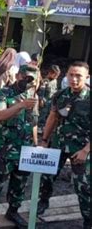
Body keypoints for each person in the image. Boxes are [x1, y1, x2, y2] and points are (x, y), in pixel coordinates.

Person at [0, 64, 40, 229]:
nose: (28, 82)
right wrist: (20, 105)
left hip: (25, 148)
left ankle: (13, 211)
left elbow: (33, 121)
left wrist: (35, 143)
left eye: (32, 80)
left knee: (20, 183)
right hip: (5, 148)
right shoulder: (3, 94)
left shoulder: (33, 95)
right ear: (18, 75)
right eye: (26, 78)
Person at [37, 61, 90, 229]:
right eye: (71, 75)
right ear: (66, 75)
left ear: (87, 77)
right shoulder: (60, 95)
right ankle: (43, 201)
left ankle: (88, 220)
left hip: (81, 148)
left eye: (78, 76)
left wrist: (86, 150)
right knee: (47, 176)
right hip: (59, 144)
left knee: (84, 186)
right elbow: (53, 118)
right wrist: (44, 141)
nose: (74, 79)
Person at [37, 64, 60, 136]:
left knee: (48, 115)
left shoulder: (55, 81)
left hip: (51, 101)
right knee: (42, 114)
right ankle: (39, 127)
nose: (56, 77)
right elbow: (41, 91)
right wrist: (41, 100)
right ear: (50, 73)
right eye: (55, 75)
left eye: (57, 75)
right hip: (45, 101)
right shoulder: (45, 81)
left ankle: (44, 127)